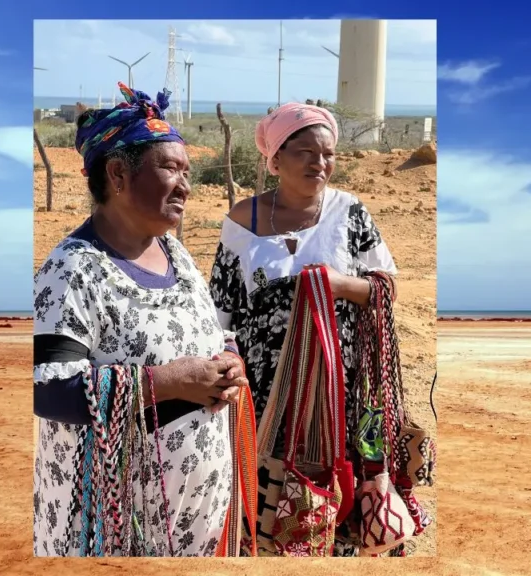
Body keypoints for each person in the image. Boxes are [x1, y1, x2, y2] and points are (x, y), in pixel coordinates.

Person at [32, 83, 249, 557]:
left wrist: (229, 361)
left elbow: (210, 330)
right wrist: (168, 381)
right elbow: (49, 389)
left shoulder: (176, 253)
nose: (186, 185)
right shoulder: (73, 270)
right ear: (117, 174)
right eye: (171, 168)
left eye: (188, 171)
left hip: (194, 516)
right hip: (111, 524)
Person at [208, 102, 403, 556]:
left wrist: (336, 285)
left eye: (328, 154)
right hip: (265, 388)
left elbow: (388, 288)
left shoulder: (350, 213)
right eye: (305, 152)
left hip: (340, 383)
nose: (320, 162)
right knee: (267, 490)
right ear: (275, 160)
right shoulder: (243, 221)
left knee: (337, 483)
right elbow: (222, 311)